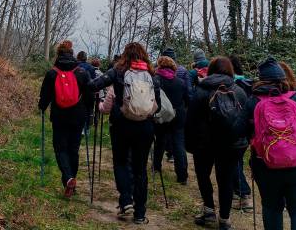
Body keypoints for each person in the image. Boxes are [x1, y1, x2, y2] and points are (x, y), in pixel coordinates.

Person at [240, 57, 296, 230]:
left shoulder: (253, 102)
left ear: (261, 79)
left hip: (265, 166)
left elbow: (237, 131)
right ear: (284, 78)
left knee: (271, 208)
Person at [89, 42, 161, 225]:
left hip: (121, 125)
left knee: (120, 162)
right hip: (145, 127)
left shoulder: (118, 71)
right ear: (143, 55)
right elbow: (157, 103)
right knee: (140, 169)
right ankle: (140, 214)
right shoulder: (152, 75)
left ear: (125, 55)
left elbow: (94, 85)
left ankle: (126, 199)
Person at [185, 57, 247, 230]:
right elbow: (245, 119)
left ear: (210, 70)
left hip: (203, 144)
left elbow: (191, 120)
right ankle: (225, 220)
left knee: (203, 177)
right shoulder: (239, 91)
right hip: (230, 144)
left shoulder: (201, 90)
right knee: (226, 181)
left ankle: (209, 211)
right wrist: (243, 141)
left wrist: (189, 143)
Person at [38, 40, 94, 198]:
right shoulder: (82, 72)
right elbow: (90, 96)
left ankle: (68, 178)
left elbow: (45, 97)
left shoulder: (52, 73)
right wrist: (90, 113)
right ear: (72, 53)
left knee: (61, 148)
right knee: (73, 149)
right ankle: (72, 182)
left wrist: (42, 107)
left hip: (59, 116)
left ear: (58, 54)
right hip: (78, 116)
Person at [152, 56, 189, 184]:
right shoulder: (180, 82)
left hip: (162, 114)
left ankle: (156, 167)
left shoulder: (155, 80)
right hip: (178, 115)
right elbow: (187, 99)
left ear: (159, 66)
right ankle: (182, 175)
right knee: (179, 144)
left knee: (160, 141)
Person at [229, 55, 253, 210]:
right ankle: (237, 190)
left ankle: (244, 193)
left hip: (236, 127)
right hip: (248, 130)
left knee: (233, 163)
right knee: (237, 161)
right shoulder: (248, 82)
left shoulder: (232, 84)